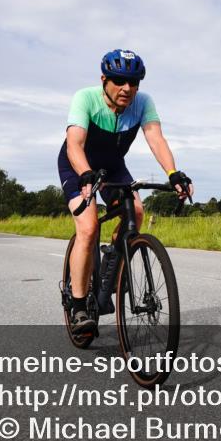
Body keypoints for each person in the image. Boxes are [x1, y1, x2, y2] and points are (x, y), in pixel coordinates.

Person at [58, 49, 192, 334]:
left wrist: (173, 172)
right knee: (89, 226)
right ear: (104, 79)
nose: (127, 89)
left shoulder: (142, 103)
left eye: (134, 82)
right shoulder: (86, 98)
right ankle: (80, 306)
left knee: (137, 213)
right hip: (78, 164)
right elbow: (74, 144)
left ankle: (109, 277)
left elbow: (155, 138)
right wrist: (85, 174)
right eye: (119, 81)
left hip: (113, 166)